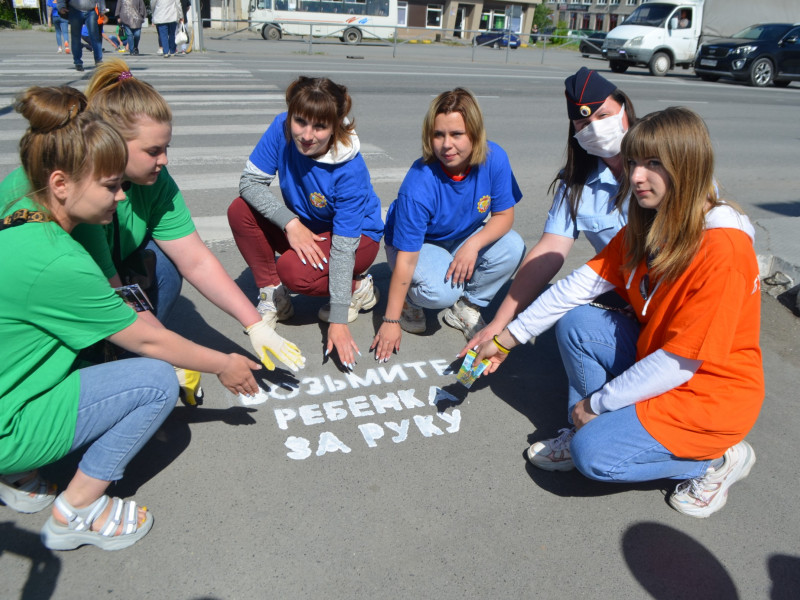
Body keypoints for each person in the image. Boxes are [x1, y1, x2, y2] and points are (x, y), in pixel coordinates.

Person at [0, 86, 261, 550]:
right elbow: (146, 340)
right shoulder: (62, 261)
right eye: (110, 185)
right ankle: (76, 512)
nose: (121, 197)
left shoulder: (22, 215)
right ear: (61, 184)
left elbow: (186, 263)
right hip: (7, 428)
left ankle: (19, 469)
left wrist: (253, 323)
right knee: (154, 382)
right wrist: (223, 363)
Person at [475, 106, 763, 518]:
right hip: (662, 359)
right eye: (633, 163)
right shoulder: (652, 224)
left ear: (687, 165)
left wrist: (598, 404)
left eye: (653, 163)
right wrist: (505, 339)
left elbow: (679, 363)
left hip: (709, 395)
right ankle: (587, 427)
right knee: (578, 322)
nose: (636, 176)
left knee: (593, 456)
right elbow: (578, 286)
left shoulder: (724, 252)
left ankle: (717, 460)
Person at [0, 60, 306, 389]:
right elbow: (116, 292)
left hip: (93, 276)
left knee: (165, 263)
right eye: (153, 151)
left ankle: (127, 351)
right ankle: (103, 359)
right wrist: (172, 356)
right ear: (112, 144)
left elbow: (196, 260)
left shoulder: (151, 180)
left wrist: (254, 324)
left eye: (166, 148)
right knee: (136, 371)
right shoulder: (80, 199)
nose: (164, 160)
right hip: (46, 299)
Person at [460, 67, 636, 367]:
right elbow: (549, 252)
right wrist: (500, 324)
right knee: (573, 321)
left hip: (676, 294)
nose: (595, 128)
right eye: (584, 123)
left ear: (624, 109)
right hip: (623, 292)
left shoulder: (665, 158)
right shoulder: (576, 182)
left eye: (604, 116)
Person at [228, 76, 384, 370]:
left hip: (357, 239)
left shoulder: (350, 170)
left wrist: (338, 319)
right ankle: (273, 295)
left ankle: (358, 288)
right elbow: (250, 183)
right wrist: (290, 223)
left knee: (292, 271)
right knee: (240, 210)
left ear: (335, 126)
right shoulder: (281, 127)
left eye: (320, 126)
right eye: (300, 121)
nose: (307, 135)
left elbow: (343, 249)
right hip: (306, 226)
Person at [371, 88, 525, 363]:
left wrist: (473, 245)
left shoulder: (494, 158)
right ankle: (409, 301)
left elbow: (504, 215)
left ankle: (467, 305)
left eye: (456, 134)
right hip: (415, 246)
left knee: (513, 246)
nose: (446, 145)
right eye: (438, 134)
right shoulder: (419, 184)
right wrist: (390, 320)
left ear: (475, 133)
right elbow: (407, 259)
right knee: (442, 291)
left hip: (461, 235)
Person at [57, 0, 104, 72]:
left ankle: (98, 60)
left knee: (95, 36)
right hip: (75, 10)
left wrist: (102, 9)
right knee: (76, 37)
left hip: (91, 10)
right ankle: (78, 62)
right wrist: (61, 6)